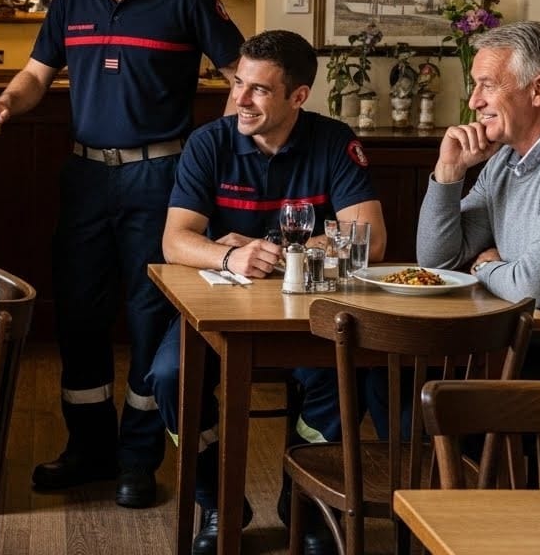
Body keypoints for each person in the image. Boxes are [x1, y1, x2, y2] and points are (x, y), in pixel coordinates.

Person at [0, 0, 245, 508]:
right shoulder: (70, 0)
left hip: (160, 179)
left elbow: (240, 77)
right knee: (81, 318)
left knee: (147, 321)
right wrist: (4, 102)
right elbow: (36, 76)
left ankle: (137, 460)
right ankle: (89, 448)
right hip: (85, 177)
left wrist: (217, 147)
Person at [148, 29, 386, 555]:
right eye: (238, 84)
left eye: (258, 90)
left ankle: (302, 500)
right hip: (218, 305)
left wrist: (271, 245)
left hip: (308, 308)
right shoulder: (210, 141)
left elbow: (370, 237)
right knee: (169, 377)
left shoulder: (333, 140)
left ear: (298, 96)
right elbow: (174, 240)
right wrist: (229, 255)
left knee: (336, 374)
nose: (240, 99)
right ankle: (216, 501)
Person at [418, 20, 540, 381]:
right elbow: (438, 259)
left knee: (425, 392)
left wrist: (483, 269)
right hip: (525, 344)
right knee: (383, 377)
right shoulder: (505, 160)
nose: (474, 101)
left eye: (487, 85)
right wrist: (449, 173)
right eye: (475, 85)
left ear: (539, 89)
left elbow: (532, 289)